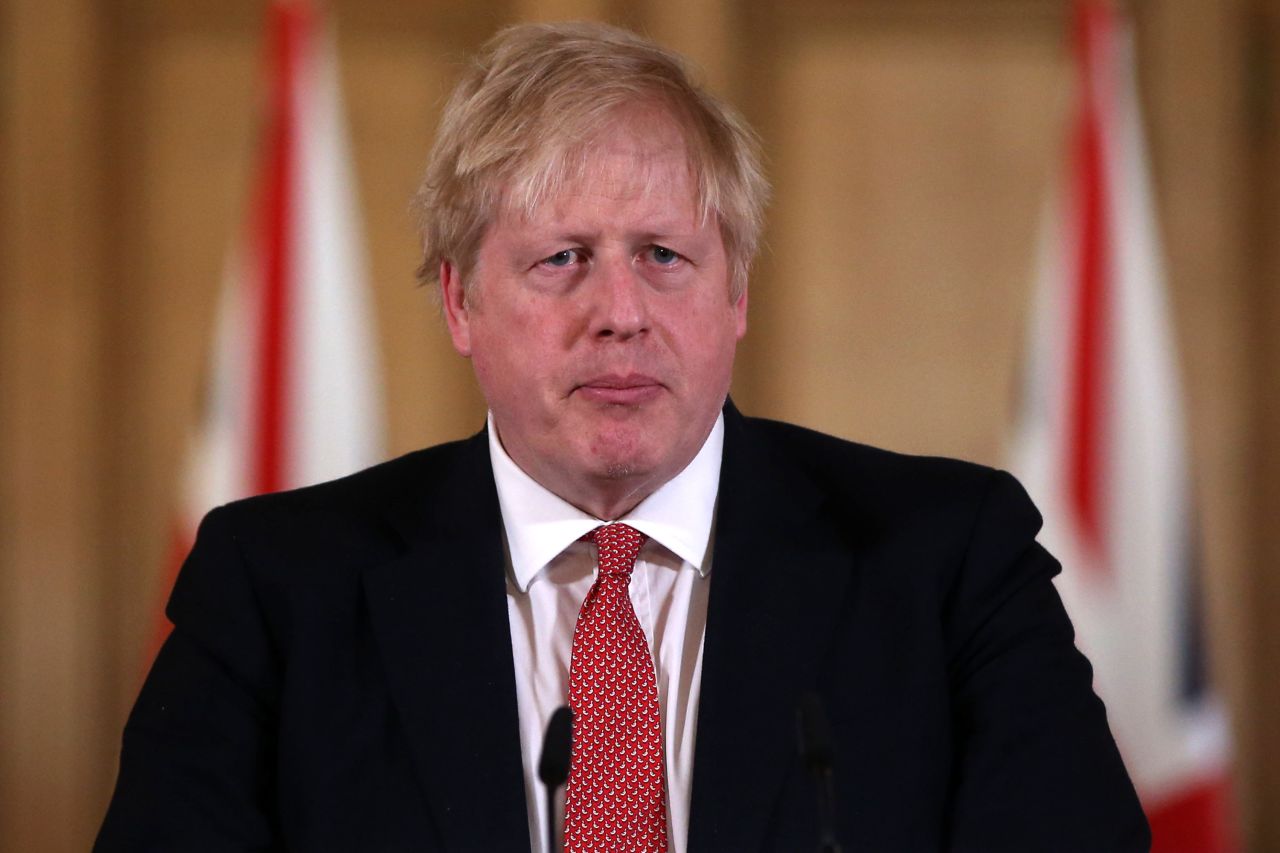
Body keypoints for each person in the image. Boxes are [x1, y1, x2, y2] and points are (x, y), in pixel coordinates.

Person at [96, 21, 1150, 853]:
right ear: (459, 301)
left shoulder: (945, 564)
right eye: (560, 258)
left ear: (735, 290)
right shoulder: (276, 589)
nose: (620, 312)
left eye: (661, 255)